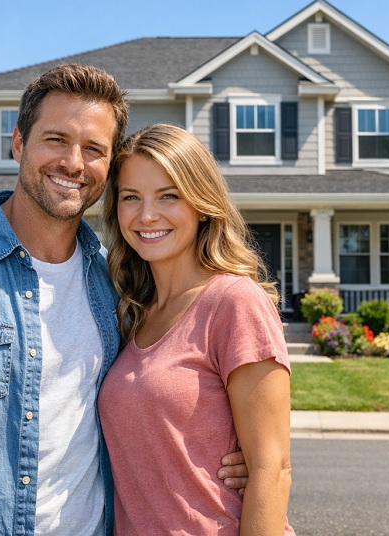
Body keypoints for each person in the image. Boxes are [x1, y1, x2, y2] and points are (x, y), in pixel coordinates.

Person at [0, 64, 248, 536]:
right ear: (18, 144)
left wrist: (235, 457)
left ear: (109, 166)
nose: (73, 163)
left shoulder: (117, 281)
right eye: (55, 139)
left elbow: (157, 401)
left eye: (93, 149)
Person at [98, 123, 295, 535]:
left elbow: (271, 470)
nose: (147, 215)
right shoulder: (131, 311)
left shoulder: (234, 302)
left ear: (201, 203)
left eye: (169, 196)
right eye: (131, 197)